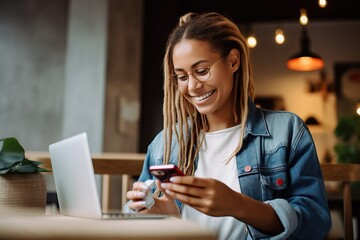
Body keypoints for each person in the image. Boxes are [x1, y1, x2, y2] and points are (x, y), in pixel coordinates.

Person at [125, 12, 331, 239]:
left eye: (202, 71)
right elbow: (135, 217)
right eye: (182, 76)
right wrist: (157, 216)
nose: (192, 86)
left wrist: (238, 205)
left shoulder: (287, 131)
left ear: (233, 61)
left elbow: (315, 223)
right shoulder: (166, 143)